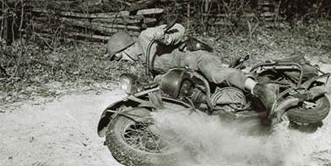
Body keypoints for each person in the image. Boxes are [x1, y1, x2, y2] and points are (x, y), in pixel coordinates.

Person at [106, 21, 277, 113]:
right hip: (188, 75)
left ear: (125, 47)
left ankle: (260, 90)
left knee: (215, 74)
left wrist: (166, 38)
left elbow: (179, 27)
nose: (120, 61)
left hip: (195, 58)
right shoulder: (145, 63)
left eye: (119, 57)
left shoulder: (145, 37)